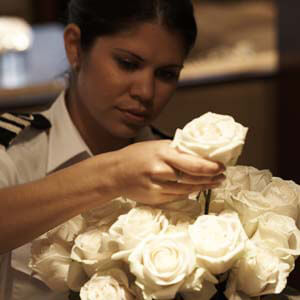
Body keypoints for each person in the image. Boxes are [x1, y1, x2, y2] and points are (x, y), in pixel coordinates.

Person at [0, 0, 225, 299]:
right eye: (128, 64)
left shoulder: (183, 166)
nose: (145, 91)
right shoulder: (13, 147)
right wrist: (114, 173)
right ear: (75, 47)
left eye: (166, 74)